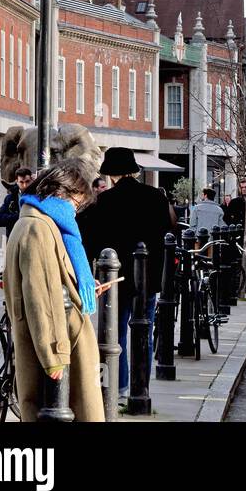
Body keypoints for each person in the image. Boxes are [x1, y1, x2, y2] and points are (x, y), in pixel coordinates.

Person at [3, 158, 108, 422]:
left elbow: (54, 281)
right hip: (61, 346)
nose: (76, 210)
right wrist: (54, 354)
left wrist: (79, 288)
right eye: (77, 202)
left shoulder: (37, 221)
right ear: (62, 192)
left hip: (59, 340)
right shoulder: (39, 227)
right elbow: (43, 294)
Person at [78, 147, 177, 394]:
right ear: (134, 170)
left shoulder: (104, 202)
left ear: (111, 174)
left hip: (116, 279)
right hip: (148, 277)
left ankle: (118, 387)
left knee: (115, 334)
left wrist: (90, 273)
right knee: (144, 330)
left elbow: (87, 238)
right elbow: (167, 234)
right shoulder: (156, 197)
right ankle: (141, 388)